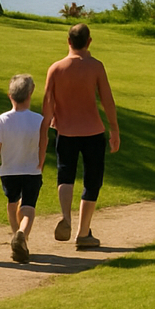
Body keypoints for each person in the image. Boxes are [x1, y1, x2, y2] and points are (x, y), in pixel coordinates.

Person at [42, 24, 121, 251]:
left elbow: (47, 104)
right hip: (92, 131)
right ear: (89, 42)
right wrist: (114, 129)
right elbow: (107, 101)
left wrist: (43, 133)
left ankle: (66, 216)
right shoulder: (96, 67)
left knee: (65, 174)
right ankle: (83, 232)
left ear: (68, 41)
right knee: (92, 180)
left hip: (65, 131)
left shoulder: (55, 69)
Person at [0, 74, 48, 263]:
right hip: (32, 170)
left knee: (13, 203)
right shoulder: (39, 120)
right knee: (28, 207)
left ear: (9, 95)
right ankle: (22, 235)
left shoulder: (2, 120)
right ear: (30, 94)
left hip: (9, 171)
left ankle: (16, 235)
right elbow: (43, 146)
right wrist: (40, 162)